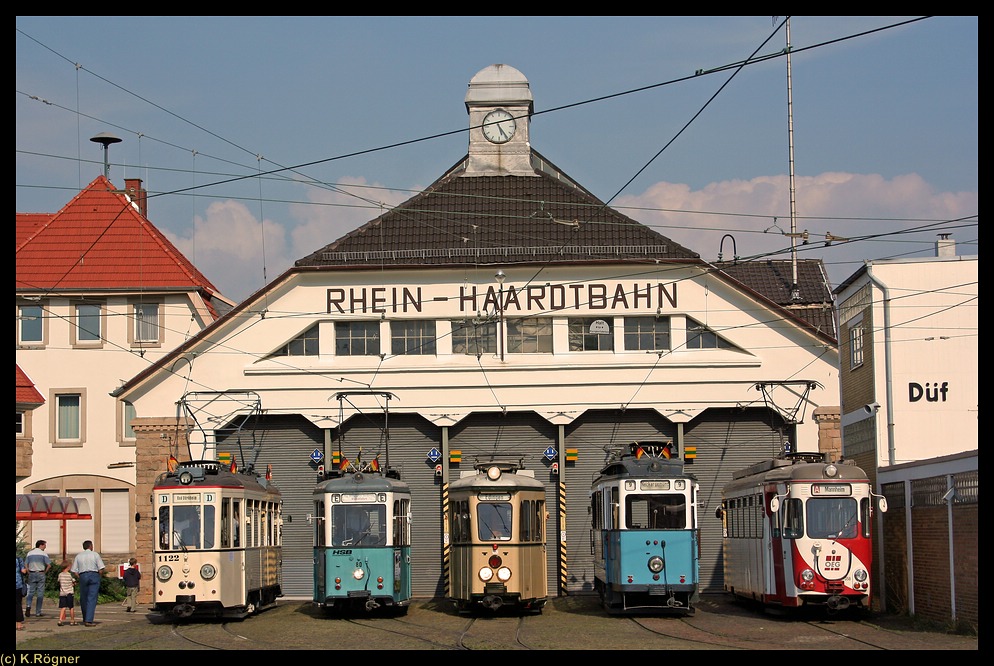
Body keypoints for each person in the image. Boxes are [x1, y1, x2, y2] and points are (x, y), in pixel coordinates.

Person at [70, 540, 105, 627]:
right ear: (91, 546)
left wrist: (80, 577)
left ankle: (85, 617)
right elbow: (101, 568)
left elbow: (74, 570)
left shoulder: (79, 556)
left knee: (84, 598)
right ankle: (89, 620)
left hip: (83, 575)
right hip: (93, 574)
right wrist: (99, 576)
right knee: (92, 598)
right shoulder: (95, 554)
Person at [23, 539, 52, 617]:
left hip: (32, 573)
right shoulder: (43, 554)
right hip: (40, 573)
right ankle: (38, 612)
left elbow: (26, 564)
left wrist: (28, 571)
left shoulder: (29, 553)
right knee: (40, 593)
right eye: (45, 545)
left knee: (31, 592)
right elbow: (49, 565)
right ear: (41, 545)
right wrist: (45, 572)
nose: (45, 547)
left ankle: (28, 606)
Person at [57, 560, 77, 626]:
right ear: (68, 567)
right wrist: (73, 584)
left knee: (63, 607)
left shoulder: (60, 575)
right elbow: (73, 582)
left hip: (62, 593)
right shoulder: (69, 575)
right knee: (71, 607)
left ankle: (60, 620)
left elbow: (59, 582)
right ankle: (72, 620)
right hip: (69, 593)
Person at [16, 555, 27, 631]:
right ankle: (18, 624)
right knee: (18, 604)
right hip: (17, 584)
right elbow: (23, 571)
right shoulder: (19, 559)